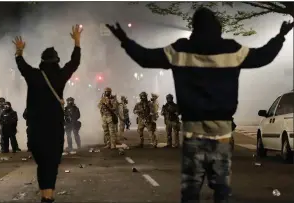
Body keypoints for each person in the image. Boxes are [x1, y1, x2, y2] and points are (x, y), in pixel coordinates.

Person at [106, 7, 293, 203]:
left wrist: (124, 40)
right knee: (221, 188)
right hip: (221, 131)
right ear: (217, 27)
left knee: (191, 189)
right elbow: (264, 56)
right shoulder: (232, 50)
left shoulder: (179, 51)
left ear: (194, 27)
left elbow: (145, 57)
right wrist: (280, 36)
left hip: (192, 130)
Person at [13, 24, 82, 203]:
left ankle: (45, 195)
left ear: (42, 62)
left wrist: (19, 51)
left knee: (42, 163)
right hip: (55, 129)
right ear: (57, 61)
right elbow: (74, 63)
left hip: (35, 129)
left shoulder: (34, 75)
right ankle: (48, 196)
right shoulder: (60, 76)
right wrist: (77, 42)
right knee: (52, 163)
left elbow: (21, 65)